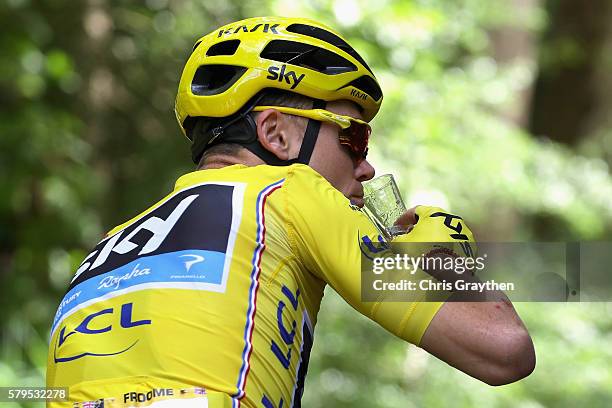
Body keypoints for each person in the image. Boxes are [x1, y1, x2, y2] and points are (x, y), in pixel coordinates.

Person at [46, 16, 535, 408]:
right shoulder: (286, 190)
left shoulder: (104, 251)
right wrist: (445, 255)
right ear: (276, 134)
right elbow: (504, 349)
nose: (366, 167)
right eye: (353, 136)